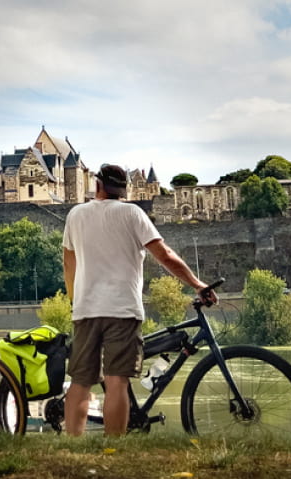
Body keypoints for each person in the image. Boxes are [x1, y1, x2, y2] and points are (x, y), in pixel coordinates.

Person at [61, 164, 215, 436]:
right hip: (122, 309)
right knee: (117, 380)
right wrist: (198, 284)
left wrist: (76, 300)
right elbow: (164, 255)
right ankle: (115, 446)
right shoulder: (132, 213)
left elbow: (68, 263)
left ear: (98, 185)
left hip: (85, 310)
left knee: (80, 382)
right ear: (124, 190)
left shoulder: (76, 215)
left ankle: (70, 444)